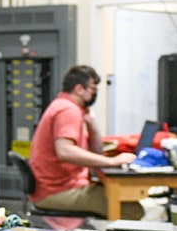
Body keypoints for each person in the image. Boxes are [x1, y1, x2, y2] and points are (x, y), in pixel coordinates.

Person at [28, 66, 134, 215]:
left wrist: (91, 124)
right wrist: (112, 161)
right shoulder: (68, 110)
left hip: (55, 188)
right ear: (79, 89)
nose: (94, 94)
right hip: (57, 191)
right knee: (133, 210)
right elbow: (65, 152)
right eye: (92, 89)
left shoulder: (65, 107)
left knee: (117, 197)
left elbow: (96, 151)